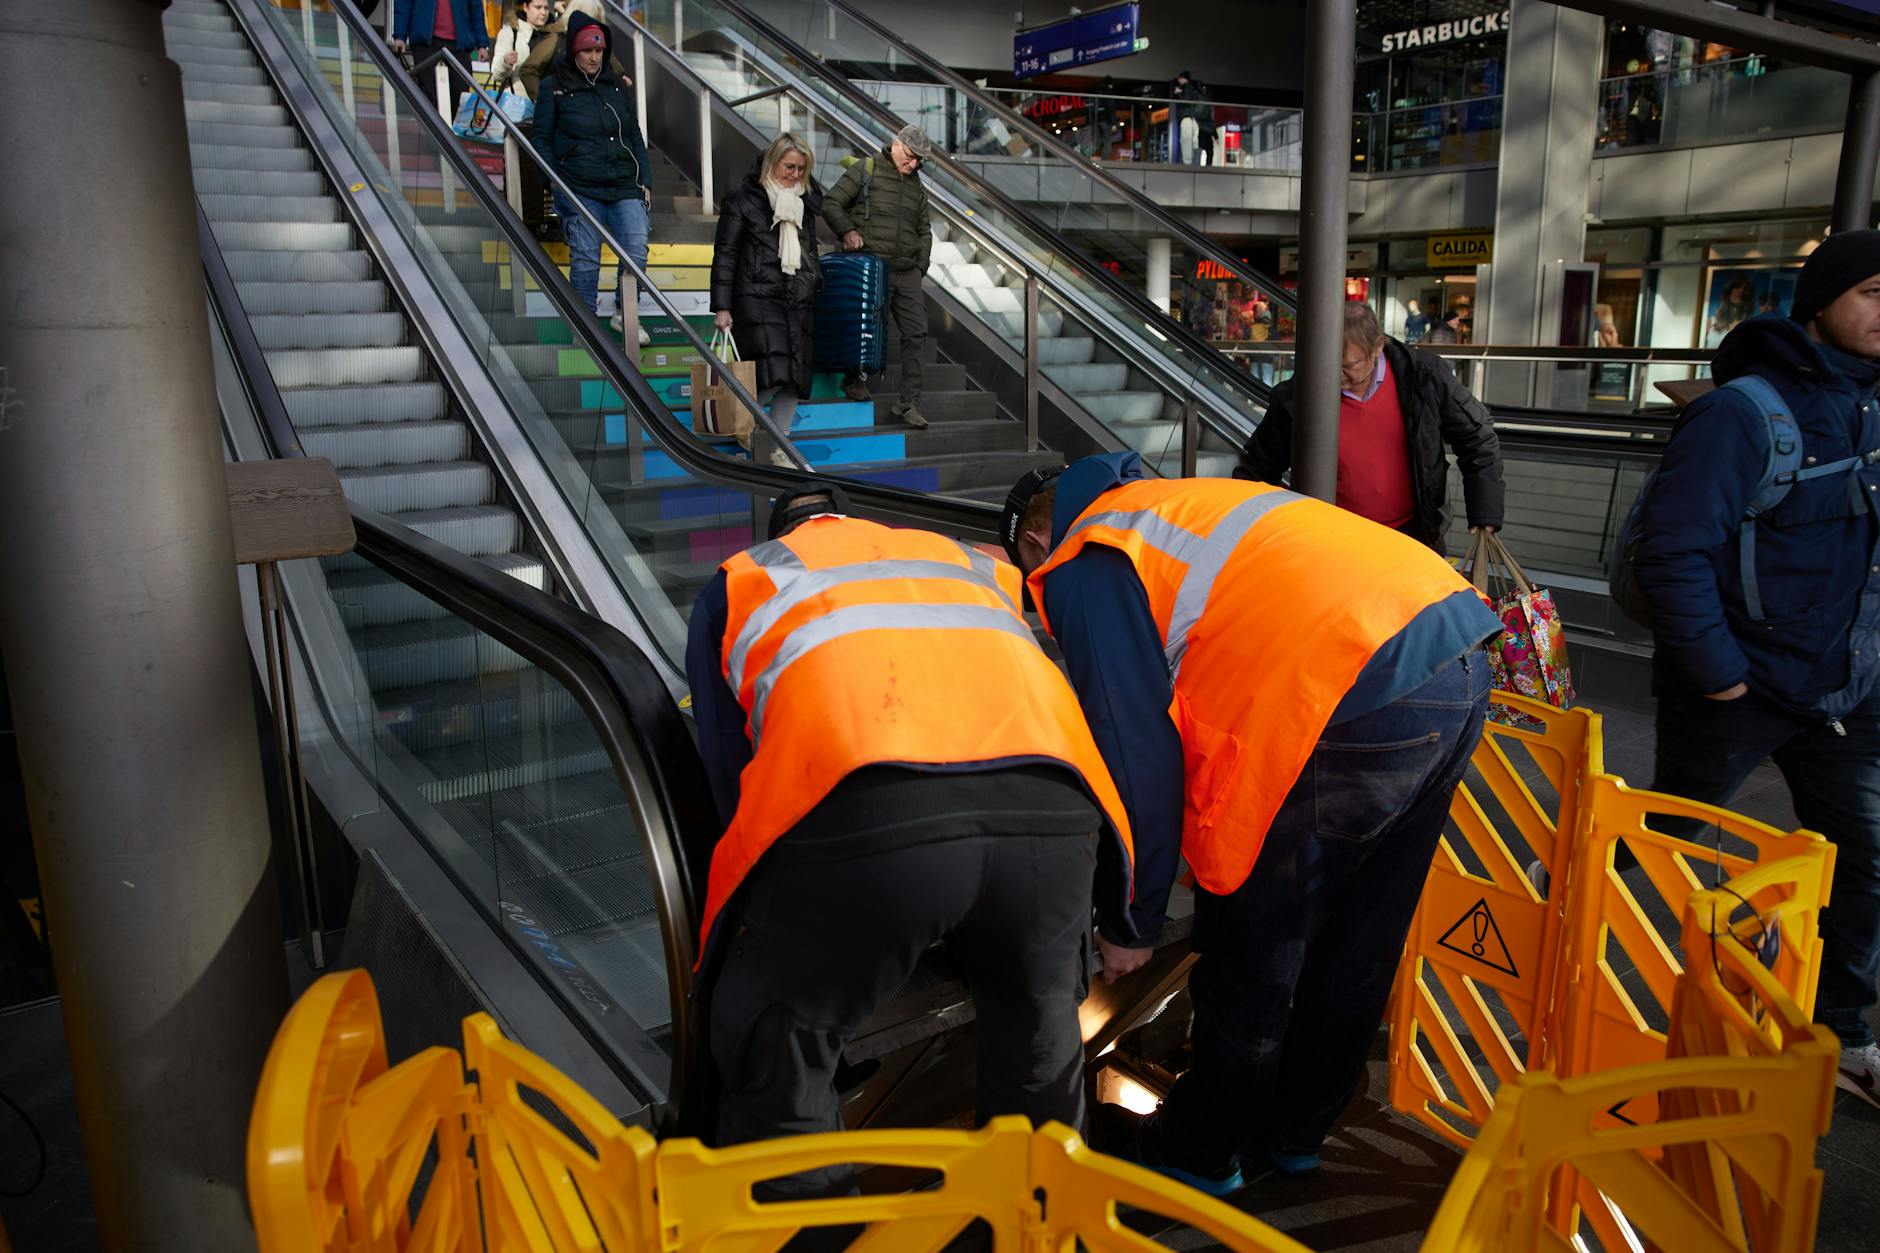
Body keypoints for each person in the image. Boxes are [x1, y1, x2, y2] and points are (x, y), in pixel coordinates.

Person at [1002, 453, 1501, 1193]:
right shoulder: (1178, 503)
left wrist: (1129, 919)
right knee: (1361, 934)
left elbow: (1133, 749)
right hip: (1456, 650)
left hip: (1354, 689)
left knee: (1257, 939)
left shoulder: (1088, 553)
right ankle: (1298, 1133)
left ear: (1036, 544)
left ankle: (1199, 1151)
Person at [688, 485, 1136, 1198]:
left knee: (780, 1037)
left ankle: (818, 1237)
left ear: (785, 532)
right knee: (1039, 1040)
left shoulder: (745, 578)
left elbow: (725, 773)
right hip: (1053, 811)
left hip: (874, 813)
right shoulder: (962, 561)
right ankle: (1039, 1229)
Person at [1631, 229, 1880, 1111]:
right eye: (1872, 293)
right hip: (1736, 684)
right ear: (1821, 302)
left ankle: (1842, 1031)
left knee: (1863, 860)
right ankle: (1548, 953)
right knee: (1659, 837)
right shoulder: (1744, 411)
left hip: (1844, 689)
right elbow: (1675, 547)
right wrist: (1720, 675)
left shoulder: (1873, 404)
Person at [1235, 302, 1503, 552]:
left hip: (1412, 538)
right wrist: (1236, 529)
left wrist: (1484, 510)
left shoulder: (1424, 377)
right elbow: (1258, 468)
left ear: (1377, 347)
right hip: (1331, 545)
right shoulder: (1295, 396)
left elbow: (1477, 434)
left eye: (1348, 366)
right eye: (1327, 365)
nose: (1335, 376)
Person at [530, 11, 651, 343]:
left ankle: (624, 313)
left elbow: (635, 136)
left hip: (624, 184)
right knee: (585, 259)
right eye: (588, 51)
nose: (595, 57)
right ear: (574, 51)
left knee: (636, 248)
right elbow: (540, 139)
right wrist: (552, 179)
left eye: (599, 51)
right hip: (579, 186)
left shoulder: (616, 88)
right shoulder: (553, 87)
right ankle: (583, 329)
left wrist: (646, 180)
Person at [821, 124, 936, 428]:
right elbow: (831, 202)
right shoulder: (866, 169)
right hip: (871, 266)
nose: (913, 164)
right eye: (911, 157)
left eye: (919, 161)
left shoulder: (916, 186)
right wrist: (847, 230)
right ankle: (854, 379)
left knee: (916, 333)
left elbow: (924, 230)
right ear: (896, 144)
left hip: (907, 270)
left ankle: (909, 402)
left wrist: (920, 266)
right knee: (867, 327)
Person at [712, 134, 823, 408]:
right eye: (790, 167)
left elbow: (809, 252)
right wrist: (722, 307)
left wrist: (814, 283)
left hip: (797, 299)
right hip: (756, 298)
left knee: (794, 381)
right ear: (773, 163)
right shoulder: (741, 200)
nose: (795, 175)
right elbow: (726, 253)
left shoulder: (803, 205)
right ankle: (750, 432)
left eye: (801, 169)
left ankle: (779, 448)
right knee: (769, 377)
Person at [515, 0, 620, 102]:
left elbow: (610, 61)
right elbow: (528, 69)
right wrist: (543, 99)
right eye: (593, 18)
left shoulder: (597, 40)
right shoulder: (556, 38)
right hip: (562, 106)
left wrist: (621, 75)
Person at [390, 0, 492, 66]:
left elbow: (476, 9)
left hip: (459, 47)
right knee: (426, 96)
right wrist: (400, 36)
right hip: (425, 45)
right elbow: (403, 4)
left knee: (460, 95)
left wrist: (482, 44)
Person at [492, 0, 550, 93]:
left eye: (546, 8)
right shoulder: (510, 33)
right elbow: (497, 75)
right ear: (525, 7)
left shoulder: (554, 35)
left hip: (545, 100)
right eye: (538, 7)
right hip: (516, 101)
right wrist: (505, 62)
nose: (543, 12)